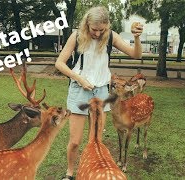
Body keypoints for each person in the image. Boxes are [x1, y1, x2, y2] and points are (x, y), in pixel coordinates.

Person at [55, 6, 143, 180]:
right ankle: (70, 173)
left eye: (101, 30)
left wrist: (136, 37)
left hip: (101, 92)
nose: (97, 33)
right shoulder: (77, 36)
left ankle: (92, 173)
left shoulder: (110, 36)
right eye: (94, 30)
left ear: (107, 26)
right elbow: (60, 63)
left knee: (96, 141)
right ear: (87, 24)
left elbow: (135, 54)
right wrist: (78, 78)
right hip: (79, 91)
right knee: (75, 141)